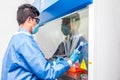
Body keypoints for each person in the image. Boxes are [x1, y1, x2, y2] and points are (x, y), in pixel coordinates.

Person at [1, 4, 83, 80]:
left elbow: (34, 65)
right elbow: (47, 73)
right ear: (29, 19)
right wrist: (70, 62)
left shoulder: (18, 38)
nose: (38, 24)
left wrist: (54, 63)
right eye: (37, 20)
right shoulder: (25, 42)